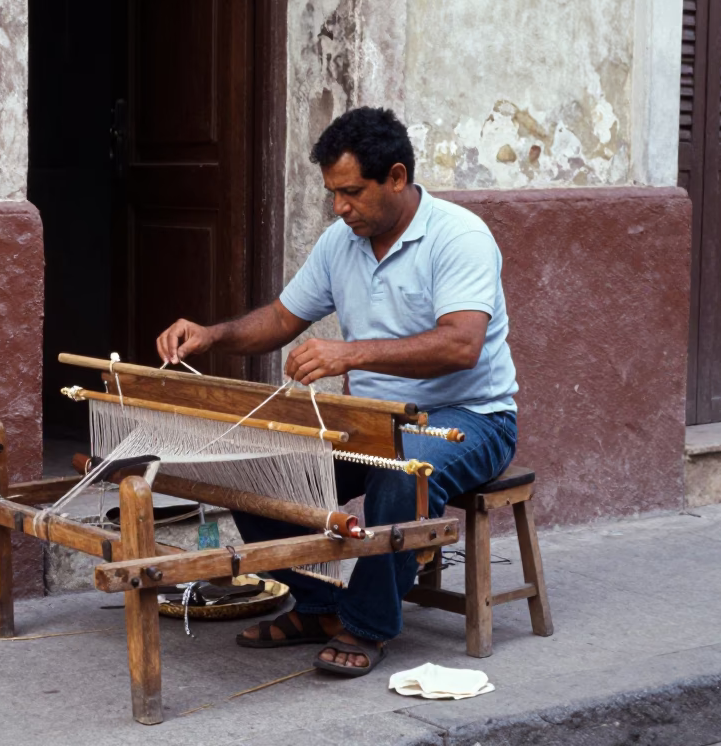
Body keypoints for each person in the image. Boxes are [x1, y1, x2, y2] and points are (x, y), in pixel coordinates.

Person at [154, 107, 518, 677]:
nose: (340, 207)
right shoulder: (340, 242)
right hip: (370, 419)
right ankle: (322, 606)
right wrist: (211, 334)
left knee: (399, 471)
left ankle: (368, 624)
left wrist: (349, 354)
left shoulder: (459, 237)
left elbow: (461, 345)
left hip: (471, 417)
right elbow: (280, 318)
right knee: (253, 465)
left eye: (351, 192)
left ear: (396, 177)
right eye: (333, 194)